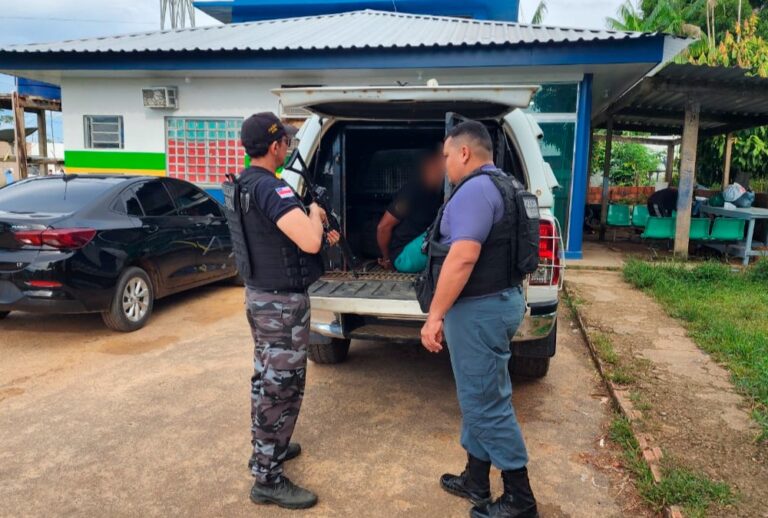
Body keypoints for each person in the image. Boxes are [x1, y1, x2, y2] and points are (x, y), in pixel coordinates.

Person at [420, 121, 538, 518]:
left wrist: (434, 315)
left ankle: (520, 499)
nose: (446, 162)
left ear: (465, 153)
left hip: (478, 311)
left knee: (487, 403)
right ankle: (476, 478)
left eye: (448, 155)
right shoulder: (505, 183)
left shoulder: (474, 191)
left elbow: (464, 256)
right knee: (481, 395)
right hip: (499, 302)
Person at [230, 112, 339, 510]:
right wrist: (314, 213)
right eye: (285, 142)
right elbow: (310, 242)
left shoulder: (244, 184)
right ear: (274, 146)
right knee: (283, 386)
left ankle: (266, 450)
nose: (289, 147)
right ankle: (268, 479)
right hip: (280, 307)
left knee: (265, 380)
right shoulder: (271, 190)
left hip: (261, 298)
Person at [376, 148, 444, 272]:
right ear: (429, 165)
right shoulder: (413, 191)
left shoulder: (437, 193)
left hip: (420, 247)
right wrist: (387, 260)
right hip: (403, 255)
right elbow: (383, 227)